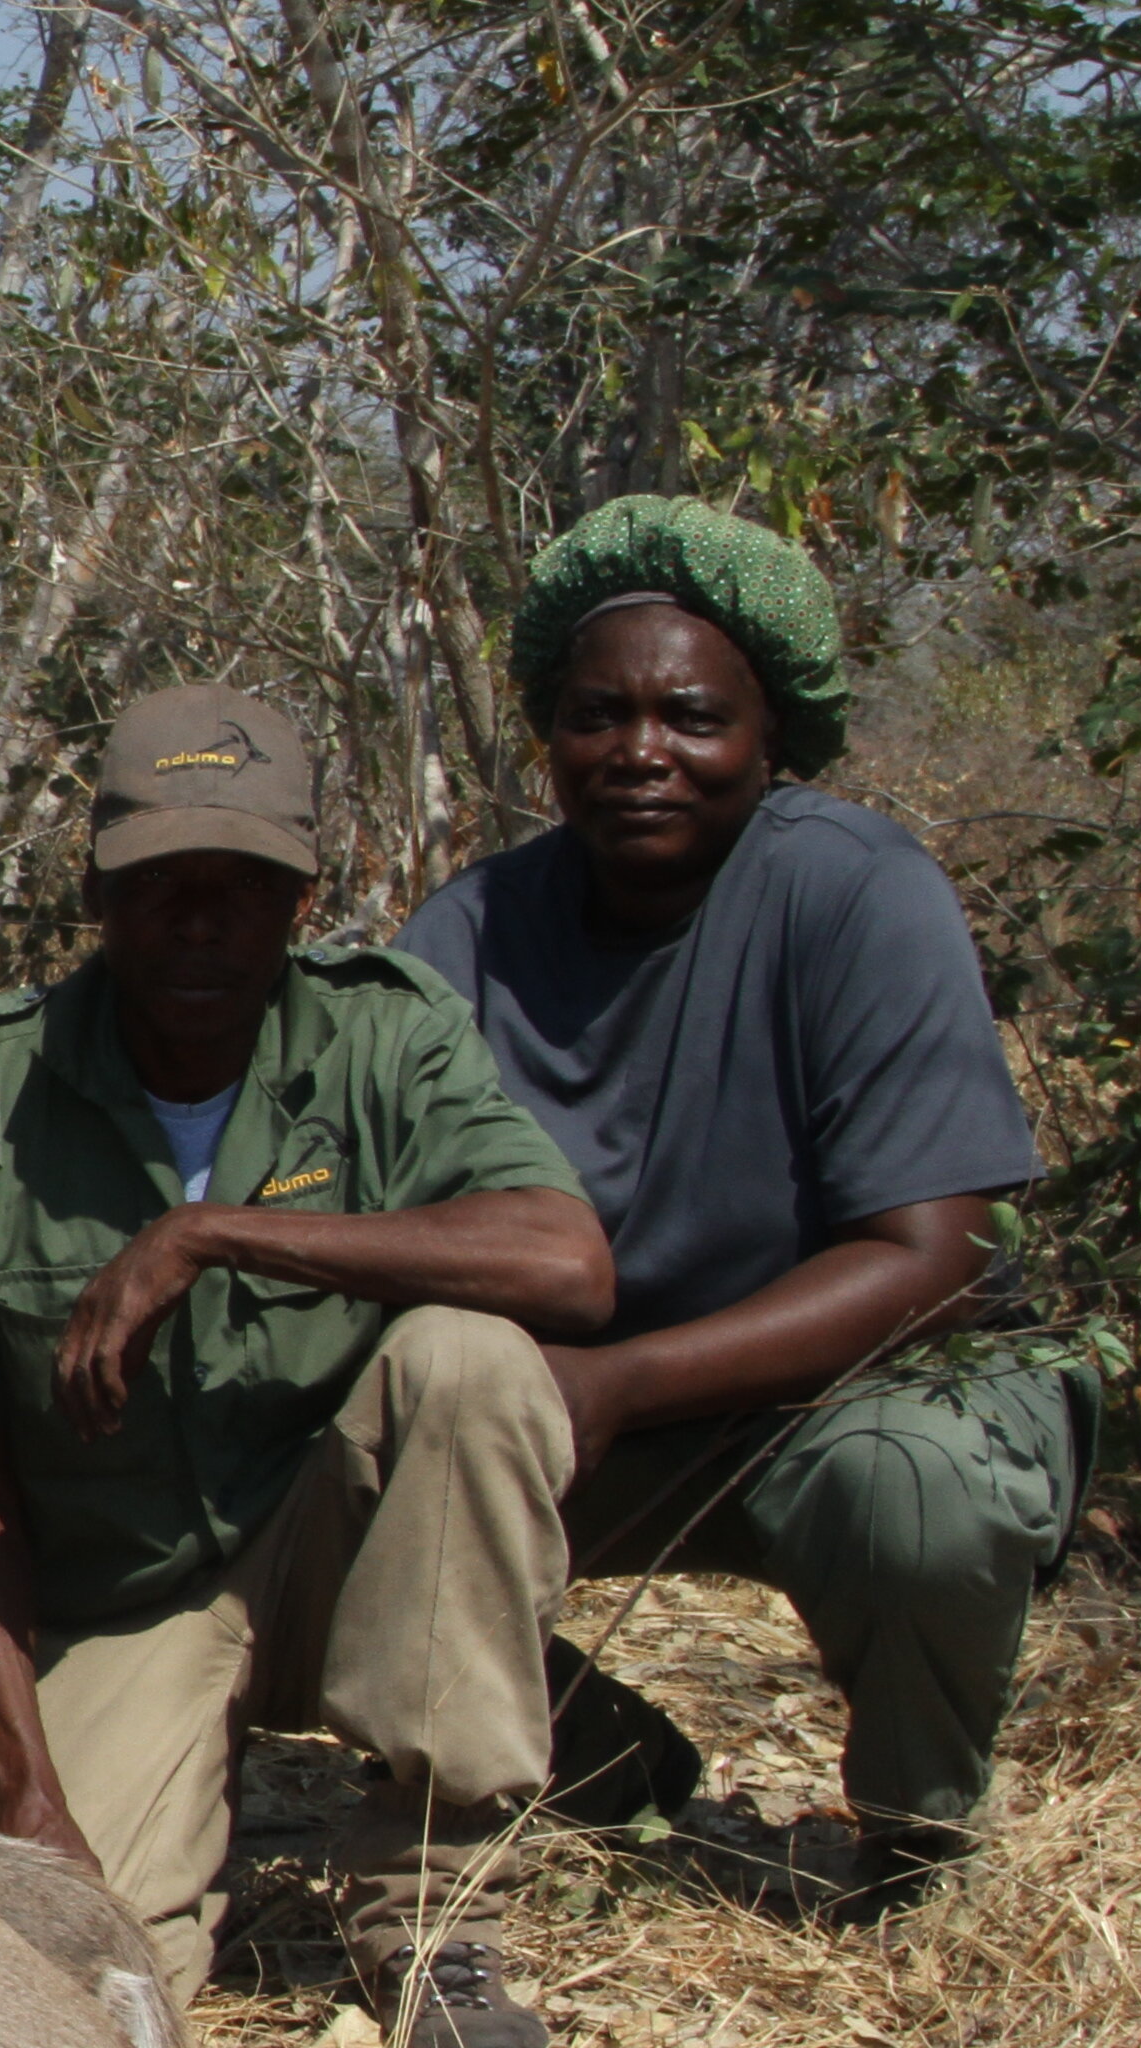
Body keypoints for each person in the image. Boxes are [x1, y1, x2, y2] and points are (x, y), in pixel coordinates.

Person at [402, 497, 1082, 1921]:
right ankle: (597, 1764)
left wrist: (621, 1378)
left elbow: (937, 1262)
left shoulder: (858, 894)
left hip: (857, 1391)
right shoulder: (469, 932)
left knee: (912, 1494)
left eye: (692, 717)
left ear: (771, 735)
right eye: (599, 716)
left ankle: (913, 1839)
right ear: (549, 734)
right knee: (311, 1456)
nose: (642, 753)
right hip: (585, 1398)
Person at [0, 688, 617, 2048]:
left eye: (243, 891)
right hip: (128, 1594)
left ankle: (436, 1914)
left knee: (470, 1359)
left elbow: (566, 1264)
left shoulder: (384, 1037)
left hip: (347, 1557)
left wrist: (213, 1231)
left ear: (304, 896)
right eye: (163, 890)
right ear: (96, 893)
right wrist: (19, 1754)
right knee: (78, 1987)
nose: (202, 925)